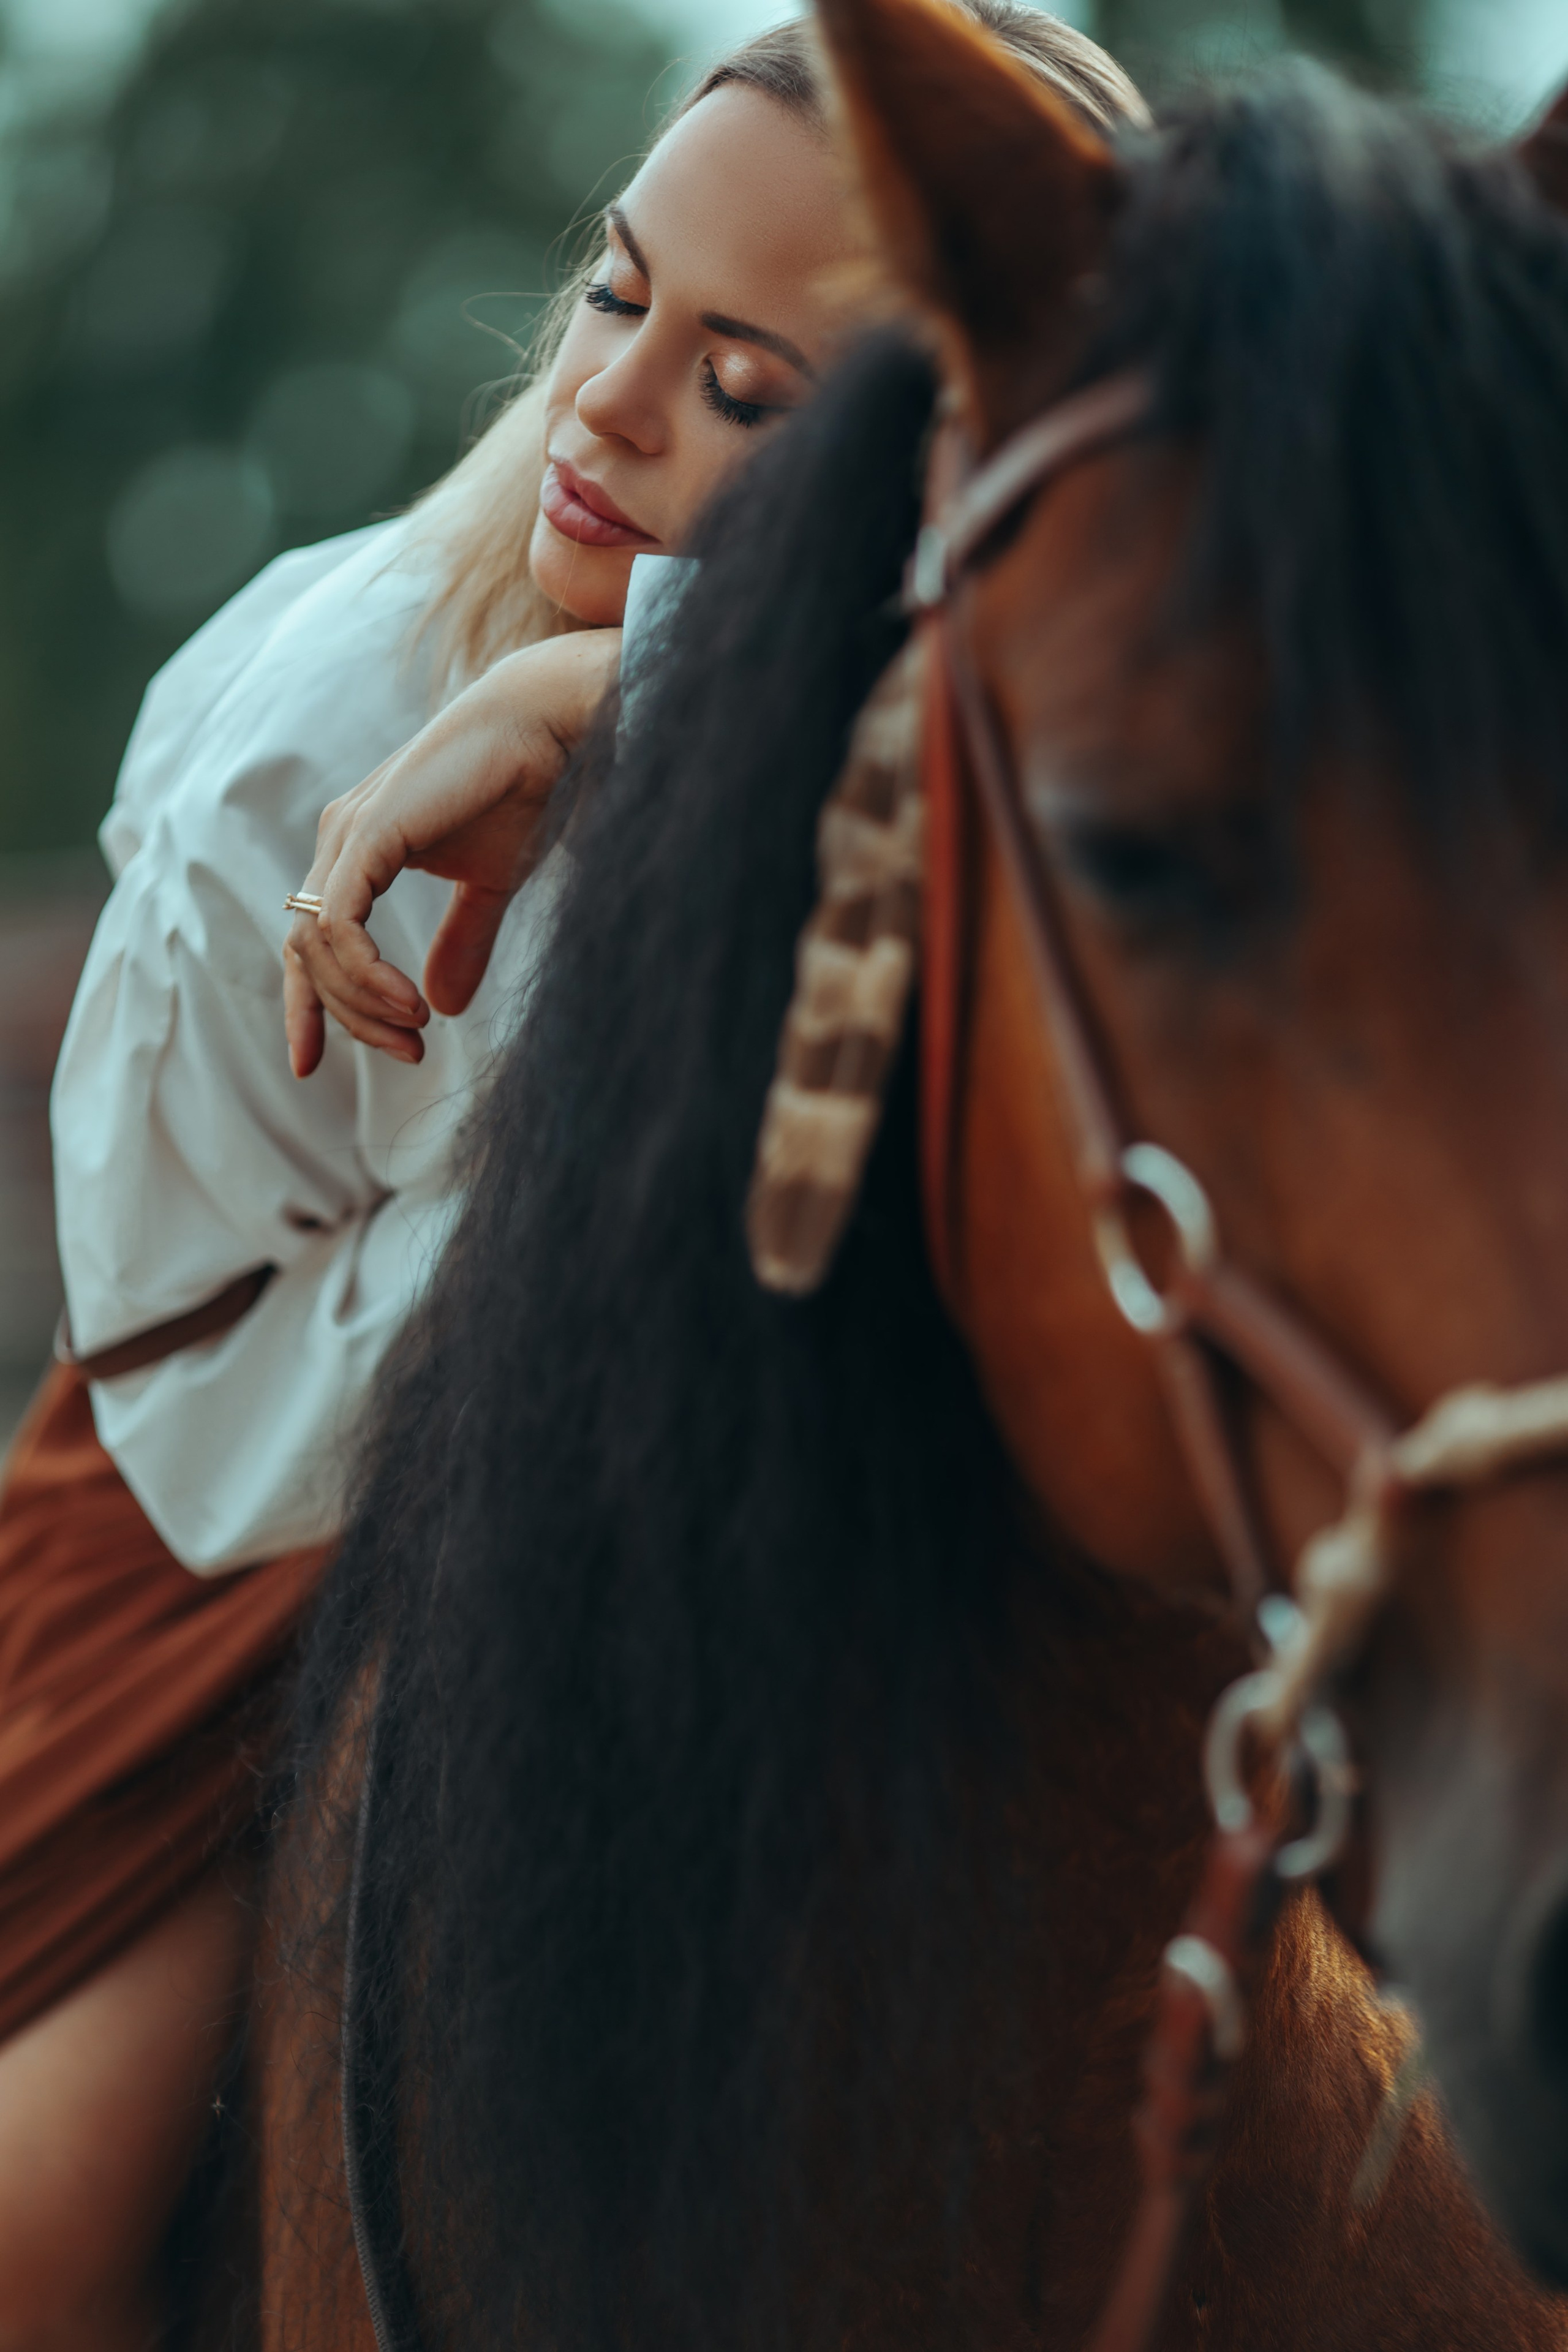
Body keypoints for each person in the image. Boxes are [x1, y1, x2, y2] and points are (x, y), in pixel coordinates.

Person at [0, 12, 1146, 2350]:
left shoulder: (1026, 749)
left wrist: (636, 692)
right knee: (32, 2234)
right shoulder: (305, 717)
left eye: (752, 391)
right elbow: (177, 1338)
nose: (613, 404)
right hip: (248, 1537)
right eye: (621, 297)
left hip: (760, 1531)